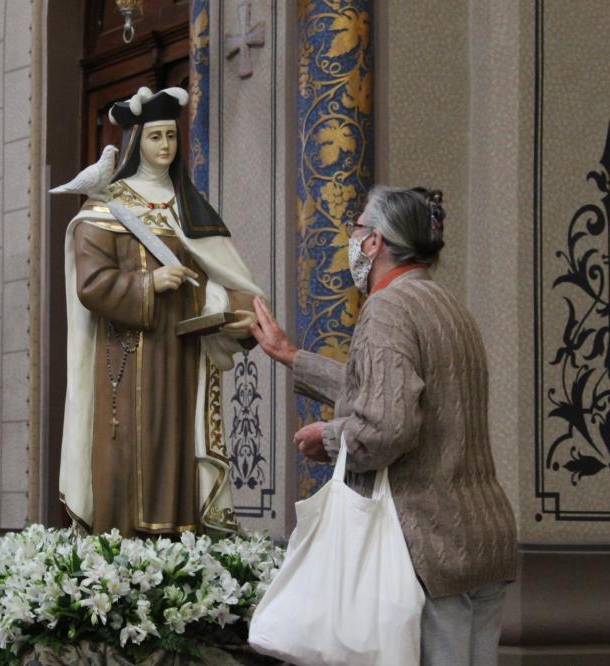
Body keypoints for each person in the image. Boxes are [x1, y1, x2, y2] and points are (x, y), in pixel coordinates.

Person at [250, 186, 518, 665]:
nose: (352, 240)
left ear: (374, 242)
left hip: (428, 544)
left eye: (357, 230)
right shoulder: (450, 307)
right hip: (480, 537)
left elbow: (389, 425)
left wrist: (328, 438)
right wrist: (291, 356)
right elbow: (394, 392)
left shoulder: (388, 308)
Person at [59, 87, 265, 537]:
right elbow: (91, 283)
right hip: (126, 355)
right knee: (127, 450)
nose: (165, 147)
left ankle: (179, 547)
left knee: (176, 446)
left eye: (171, 136)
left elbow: (224, 277)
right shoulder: (107, 207)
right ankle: (123, 553)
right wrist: (148, 283)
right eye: (155, 138)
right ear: (136, 142)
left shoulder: (188, 207)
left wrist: (235, 311)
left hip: (182, 355)